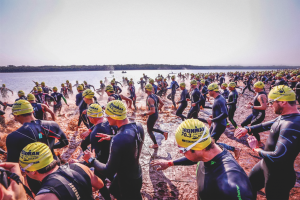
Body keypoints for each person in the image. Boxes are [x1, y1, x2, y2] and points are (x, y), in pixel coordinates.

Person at [150, 119, 254, 200]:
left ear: (198, 147)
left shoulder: (230, 184)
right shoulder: (208, 153)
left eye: (182, 149)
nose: (180, 152)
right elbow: (194, 158)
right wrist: (170, 163)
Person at [234, 85, 300, 200]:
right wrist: (248, 129)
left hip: (279, 176)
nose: (269, 105)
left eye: (272, 102)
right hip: (266, 165)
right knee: (249, 185)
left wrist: (256, 149)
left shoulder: (292, 124)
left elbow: (278, 156)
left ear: (283, 102)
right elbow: (269, 124)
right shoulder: (286, 117)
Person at [83, 100, 145, 200]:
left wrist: (91, 159)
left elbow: (108, 171)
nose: (106, 118)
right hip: (137, 172)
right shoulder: (138, 126)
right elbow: (130, 141)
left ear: (114, 117)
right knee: (113, 190)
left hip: (127, 181)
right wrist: (111, 137)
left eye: (107, 115)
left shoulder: (119, 139)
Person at [6, 100, 69, 194]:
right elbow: (65, 142)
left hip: (36, 174)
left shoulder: (14, 136)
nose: (15, 119)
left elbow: (12, 165)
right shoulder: (52, 124)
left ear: (17, 115)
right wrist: (49, 148)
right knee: (62, 193)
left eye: (14, 116)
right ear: (32, 111)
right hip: (55, 165)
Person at [19, 142, 104, 200]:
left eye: (23, 169)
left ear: (34, 171)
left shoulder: (44, 196)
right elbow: (100, 185)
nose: (23, 172)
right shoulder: (80, 167)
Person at [206, 83, 240, 158]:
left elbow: (225, 114)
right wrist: (214, 116)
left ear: (213, 91)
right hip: (215, 123)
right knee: (207, 141)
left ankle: (234, 149)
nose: (208, 92)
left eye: (209, 90)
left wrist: (213, 119)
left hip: (219, 125)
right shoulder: (218, 98)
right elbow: (222, 110)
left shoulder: (219, 100)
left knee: (211, 144)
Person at [241, 81, 267, 147]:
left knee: (253, 128)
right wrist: (252, 104)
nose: (253, 88)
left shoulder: (262, 95)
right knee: (243, 124)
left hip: (259, 114)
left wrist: (251, 107)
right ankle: (251, 137)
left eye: (255, 87)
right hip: (254, 113)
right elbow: (259, 104)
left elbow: (264, 107)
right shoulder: (258, 93)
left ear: (259, 88)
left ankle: (259, 143)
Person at [142, 84, 168, 149]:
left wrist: (144, 114)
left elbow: (152, 111)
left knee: (149, 131)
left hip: (152, 115)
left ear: (147, 90)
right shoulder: (156, 96)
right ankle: (164, 133)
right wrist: (158, 109)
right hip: (156, 115)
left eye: (145, 88)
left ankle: (155, 144)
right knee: (150, 128)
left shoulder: (150, 99)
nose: (144, 89)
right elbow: (162, 103)